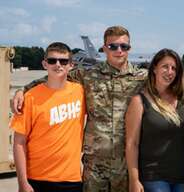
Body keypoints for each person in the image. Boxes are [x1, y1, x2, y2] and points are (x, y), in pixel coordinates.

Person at [12, 26, 147, 192]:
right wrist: (23, 90)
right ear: (104, 48)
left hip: (127, 162)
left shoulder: (142, 78)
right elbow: (55, 75)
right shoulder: (88, 75)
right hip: (95, 165)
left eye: (124, 46)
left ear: (129, 48)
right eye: (113, 46)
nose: (119, 50)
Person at [11, 42, 86, 192]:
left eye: (63, 61)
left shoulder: (82, 92)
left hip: (71, 179)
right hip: (37, 179)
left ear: (71, 65)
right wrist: (22, 182)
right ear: (45, 64)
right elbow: (19, 143)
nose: (58, 65)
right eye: (52, 61)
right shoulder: (30, 97)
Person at [125, 48, 184, 192]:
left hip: (181, 176)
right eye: (165, 66)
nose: (170, 72)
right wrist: (134, 180)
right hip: (153, 176)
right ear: (154, 68)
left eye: (174, 68)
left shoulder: (182, 99)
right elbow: (132, 144)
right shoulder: (139, 101)